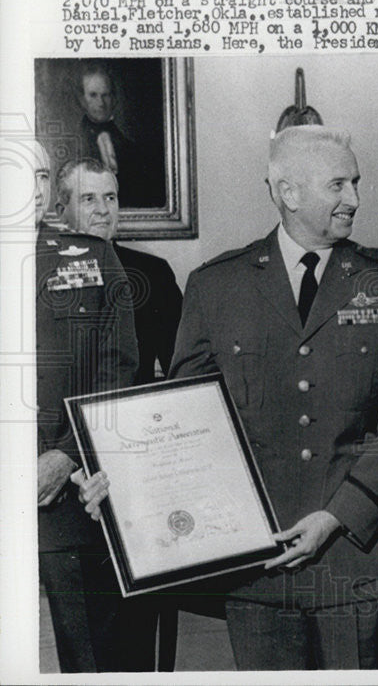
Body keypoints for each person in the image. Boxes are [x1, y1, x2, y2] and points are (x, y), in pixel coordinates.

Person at [79, 126, 378, 670]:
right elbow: (182, 424)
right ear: (288, 192)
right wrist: (126, 483)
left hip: (354, 562)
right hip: (252, 566)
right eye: (339, 184)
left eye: (356, 183)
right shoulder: (215, 285)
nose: (355, 199)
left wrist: (335, 518)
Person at [33, 144, 154, 671]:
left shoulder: (90, 258)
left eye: (40, 174)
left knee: (93, 659)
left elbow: (117, 369)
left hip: (66, 496)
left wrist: (65, 455)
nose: (32, 187)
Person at [54, 157, 182, 382]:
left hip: (133, 410)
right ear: (61, 211)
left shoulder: (154, 273)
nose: (103, 210)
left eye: (110, 198)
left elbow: (179, 369)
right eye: (88, 199)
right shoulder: (43, 271)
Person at [75, 64, 164, 208]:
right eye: (93, 95)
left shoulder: (130, 148)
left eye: (106, 95)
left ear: (114, 99)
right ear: (82, 100)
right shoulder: (74, 145)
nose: (101, 103)